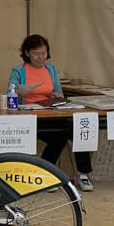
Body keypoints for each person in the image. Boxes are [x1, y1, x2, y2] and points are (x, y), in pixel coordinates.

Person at [8, 34, 94, 192]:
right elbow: (10, 94)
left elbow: (58, 93)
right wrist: (17, 93)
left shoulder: (51, 69)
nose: (41, 57)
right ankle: (45, 174)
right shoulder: (18, 71)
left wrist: (55, 95)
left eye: (43, 53)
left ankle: (83, 174)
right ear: (27, 53)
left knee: (79, 130)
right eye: (36, 53)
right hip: (29, 116)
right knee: (59, 138)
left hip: (50, 113)